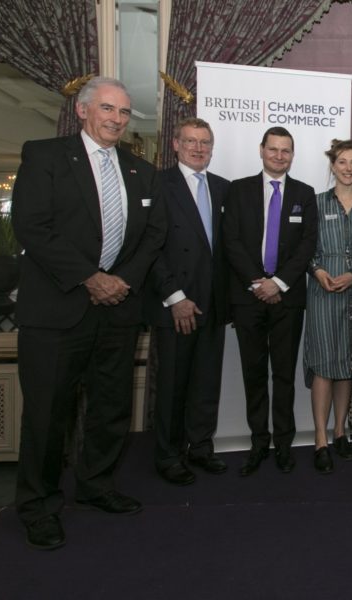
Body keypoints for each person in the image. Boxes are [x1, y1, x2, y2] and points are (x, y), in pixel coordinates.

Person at [10, 76, 165, 550]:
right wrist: (89, 278)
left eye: (124, 112)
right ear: (82, 110)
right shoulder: (45, 157)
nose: (117, 119)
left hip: (117, 310)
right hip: (57, 310)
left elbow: (153, 234)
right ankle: (39, 506)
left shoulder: (142, 171)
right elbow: (32, 226)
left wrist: (121, 282)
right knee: (47, 414)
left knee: (111, 408)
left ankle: (96, 485)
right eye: (108, 109)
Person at [223, 126, 318, 477]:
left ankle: (284, 444)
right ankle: (258, 443)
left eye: (285, 150)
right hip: (248, 298)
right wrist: (258, 282)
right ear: (261, 150)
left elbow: (307, 244)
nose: (279, 156)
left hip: (287, 299)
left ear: (292, 155)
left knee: (283, 375)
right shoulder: (238, 190)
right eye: (273, 149)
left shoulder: (305, 194)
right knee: (253, 374)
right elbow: (231, 240)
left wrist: (277, 283)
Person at [144, 117, 230, 486]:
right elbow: (149, 247)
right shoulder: (158, 184)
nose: (198, 148)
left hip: (213, 303)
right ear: (175, 144)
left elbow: (227, 249)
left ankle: (201, 447)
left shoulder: (223, 188)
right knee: (173, 385)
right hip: (177, 303)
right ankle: (168, 454)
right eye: (191, 141)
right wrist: (174, 297)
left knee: (206, 383)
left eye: (205, 142)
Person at [303, 139, 352, 474]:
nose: (348, 168)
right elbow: (304, 247)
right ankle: (320, 438)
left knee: (347, 363)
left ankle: (341, 432)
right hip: (323, 291)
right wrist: (318, 271)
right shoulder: (316, 203)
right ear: (333, 166)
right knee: (324, 366)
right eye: (342, 162)